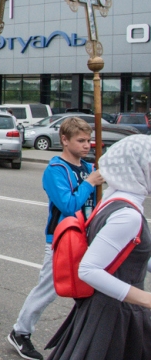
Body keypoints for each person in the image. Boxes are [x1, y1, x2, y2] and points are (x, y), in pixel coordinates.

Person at [45, 134, 151, 359]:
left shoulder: (114, 199)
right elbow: (88, 269)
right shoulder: (128, 214)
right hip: (114, 317)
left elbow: (130, 253)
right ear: (139, 169)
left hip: (108, 310)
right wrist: (146, 299)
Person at [7, 117, 103, 360]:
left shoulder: (89, 167)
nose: (87, 145)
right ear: (65, 140)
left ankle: (83, 334)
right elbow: (68, 205)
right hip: (62, 239)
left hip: (88, 237)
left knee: (90, 287)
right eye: (81, 140)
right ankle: (20, 331)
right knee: (49, 287)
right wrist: (89, 183)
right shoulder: (55, 170)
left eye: (89, 140)